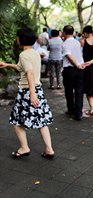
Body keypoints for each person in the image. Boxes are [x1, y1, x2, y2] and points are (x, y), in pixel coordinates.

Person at [0, 28, 54, 159]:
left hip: (27, 91)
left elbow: (29, 72)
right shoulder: (34, 53)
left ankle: (24, 148)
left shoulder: (23, 55)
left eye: (17, 37)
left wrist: (31, 94)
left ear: (21, 39)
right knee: (41, 121)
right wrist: (7, 65)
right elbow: (21, 68)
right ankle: (49, 150)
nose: (16, 39)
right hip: (37, 89)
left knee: (17, 121)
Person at [62, 25, 84, 121]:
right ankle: (78, 113)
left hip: (71, 69)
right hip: (80, 69)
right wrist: (79, 65)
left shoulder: (65, 43)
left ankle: (71, 110)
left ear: (64, 33)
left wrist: (76, 65)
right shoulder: (77, 42)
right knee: (79, 91)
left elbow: (69, 56)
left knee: (69, 91)